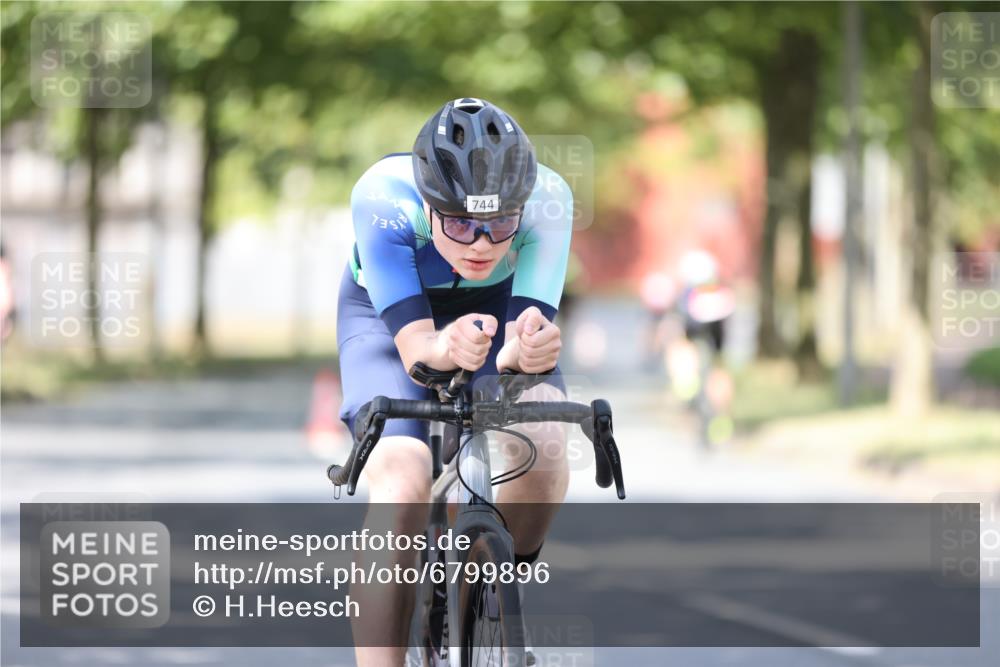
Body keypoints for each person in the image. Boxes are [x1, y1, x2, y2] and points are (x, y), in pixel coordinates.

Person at [336, 98, 572, 665]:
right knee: (401, 482)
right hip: (387, 319)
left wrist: (527, 350)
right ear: (428, 203)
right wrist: (442, 347)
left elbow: (523, 339)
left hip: (496, 311)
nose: (482, 244)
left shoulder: (549, 200)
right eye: (461, 223)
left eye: (499, 225)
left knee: (545, 443)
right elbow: (419, 353)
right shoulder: (383, 198)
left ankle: (485, 593)